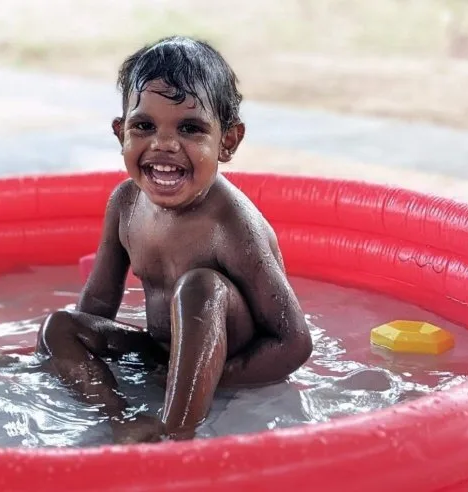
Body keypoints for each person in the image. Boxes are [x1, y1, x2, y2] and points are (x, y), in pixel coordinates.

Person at [37, 35, 313, 444]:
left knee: (199, 287)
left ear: (228, 142)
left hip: (228, 363)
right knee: (58, 327)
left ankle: (175, 432)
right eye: (144, 126)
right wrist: (71, 360)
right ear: (120, 134)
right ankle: (120, 418)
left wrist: (218, 378)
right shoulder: (126, 203)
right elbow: (97, 305)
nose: (164, 144)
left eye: (190, 128)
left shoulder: (231, 223)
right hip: (159, 355)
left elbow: (293, 343)